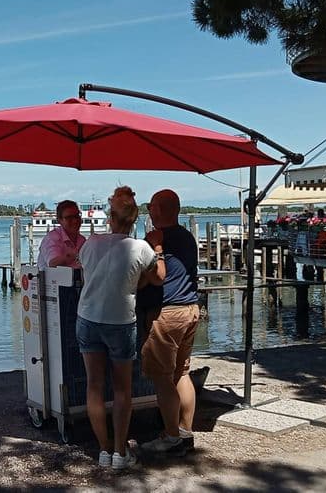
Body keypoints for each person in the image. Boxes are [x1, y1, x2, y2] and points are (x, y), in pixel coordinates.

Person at [76, 186, 165, 470]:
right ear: (134, 220)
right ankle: (119, 452)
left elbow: (91, 276)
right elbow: (158, 278)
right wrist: (159, 251)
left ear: (110, 217)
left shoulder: (90, 244)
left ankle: (103, 450)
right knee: (122, 389)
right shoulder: (141, 248)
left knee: (94, 386)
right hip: (120, 321)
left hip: (88, 318)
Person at [137, 189, 200, 457]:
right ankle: (184, 431)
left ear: (159, 210)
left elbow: (153, 276)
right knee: (181, 372)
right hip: (191, 309)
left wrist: (153, 247)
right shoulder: (187, 237)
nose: (149, 211)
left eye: (151, 207)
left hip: (168, 313)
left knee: (162, 378)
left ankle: (171, 436)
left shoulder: (157, 239)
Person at [36, 200, 86, 270]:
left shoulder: (82, 240)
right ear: (59, 220)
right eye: (69, 218)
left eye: (77, 216)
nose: (75, 221)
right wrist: (74, 255)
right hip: (50, 280)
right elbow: (53, 263)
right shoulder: (52, 238)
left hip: (75, 279)